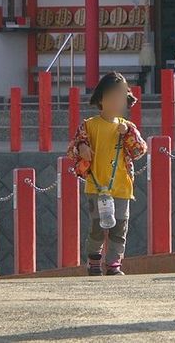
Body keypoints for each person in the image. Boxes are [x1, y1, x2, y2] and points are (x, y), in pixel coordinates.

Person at [65, 72, 148, 276]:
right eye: (111, 97)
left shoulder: (128, 127)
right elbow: (72, 151)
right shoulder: (89, 125)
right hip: (96, 186)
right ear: (101, 99)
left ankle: (114, 264)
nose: (115, 101)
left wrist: (127, 134)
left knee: (120, 226)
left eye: (120, 97)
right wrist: (82, 148)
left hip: (121, 186)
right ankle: (94, 261)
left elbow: (139, 150)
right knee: (97, 226)